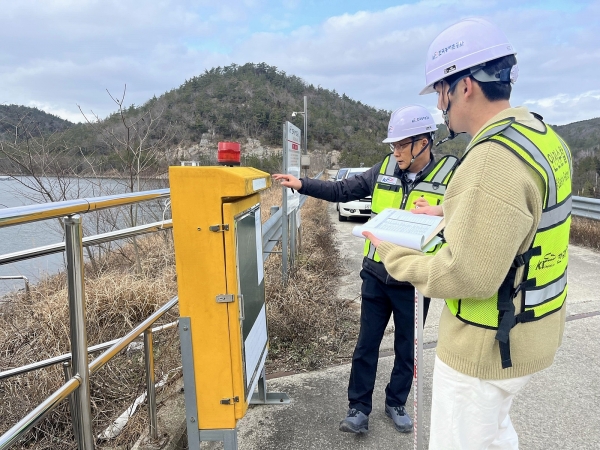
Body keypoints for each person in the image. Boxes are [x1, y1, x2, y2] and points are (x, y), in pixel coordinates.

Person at [364, 18, 573, 449]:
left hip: (486, 347)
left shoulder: (490, 159)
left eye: (440, 89)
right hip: (531, 329)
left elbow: (467, 274)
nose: (440, 103)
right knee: (496, 435)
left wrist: (393, 255)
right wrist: (453, 206)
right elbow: (523, 211)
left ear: (465, 86)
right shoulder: (540, 136)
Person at [273, 105, 458, 435]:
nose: (396, 151)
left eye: (402, 144)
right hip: (376, 274)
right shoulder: (383, 168)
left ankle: (396, 402)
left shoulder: (451, 175)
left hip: (416, 280)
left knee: (407, 348)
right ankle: (358, 408)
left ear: (424, 142)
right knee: (366, 345)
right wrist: (302, 183)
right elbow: (343, 190)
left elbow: (467, 216)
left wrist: (441, 215)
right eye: (394, 145)